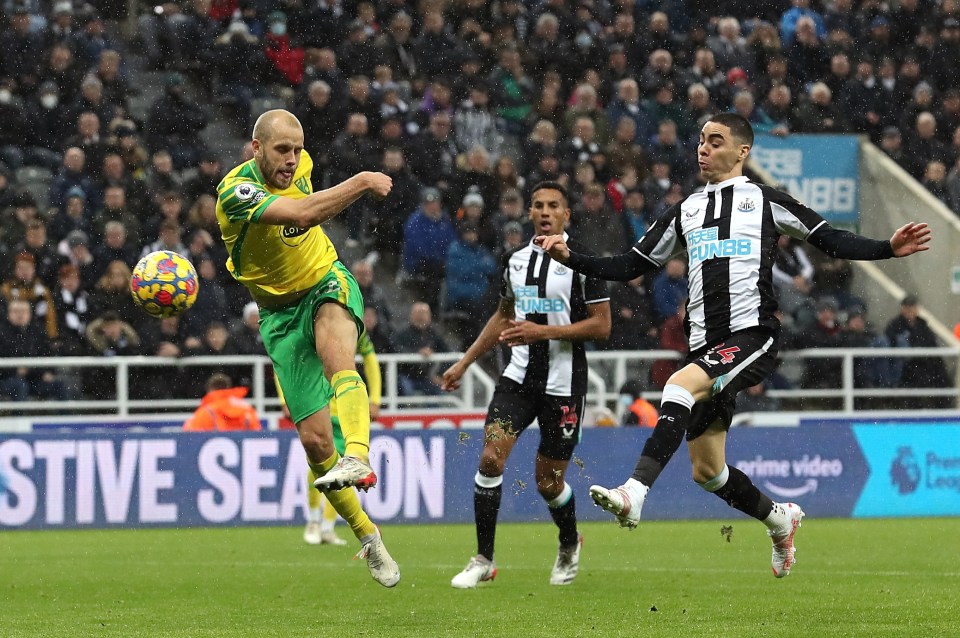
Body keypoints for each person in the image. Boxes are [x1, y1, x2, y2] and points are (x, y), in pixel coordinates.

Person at [536, 113, 931, 578]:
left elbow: (831, 239)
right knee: (708, 473)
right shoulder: (685, 210)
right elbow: (629, 265)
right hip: (706, 346)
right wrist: (571, 257)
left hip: (751, 336)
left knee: (678, 387)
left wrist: (886, 247)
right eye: (701, 140)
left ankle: (634, 492)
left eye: (715, 141)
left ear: (742, 151)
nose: (703, 148)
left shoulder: (765, 201)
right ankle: (780, 519)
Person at [215, 109, 399, 587]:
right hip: (278, 316)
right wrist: (360, 180)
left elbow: (308, 211)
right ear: (255, 149)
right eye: (281, 150)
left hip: (325, 282)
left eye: (298, 150)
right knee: (316, 441)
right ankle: (367, 535)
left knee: (338, 353)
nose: (293, 160)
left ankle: (357, 453)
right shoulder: (237, 193)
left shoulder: (302, 165)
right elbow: (301, 213)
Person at [440, 182, 611, 588]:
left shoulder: (585, 263)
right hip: (517, 381)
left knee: (548, 483)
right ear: (530, 213)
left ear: (567, 214)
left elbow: (602, 327)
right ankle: (483, 558)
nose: (545, 211)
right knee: (489, 460)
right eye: (539, 205)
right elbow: (503, 316)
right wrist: (464, 362)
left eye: (554, 205)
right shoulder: (515, 260)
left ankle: (569, 541)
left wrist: (542, 333)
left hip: (564, 385)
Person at [183, 373, 263, 431]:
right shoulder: (246, 408)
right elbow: (257, 434)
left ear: (210, 390)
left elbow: (189, 437)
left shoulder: (206, 411)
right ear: (228, 388)